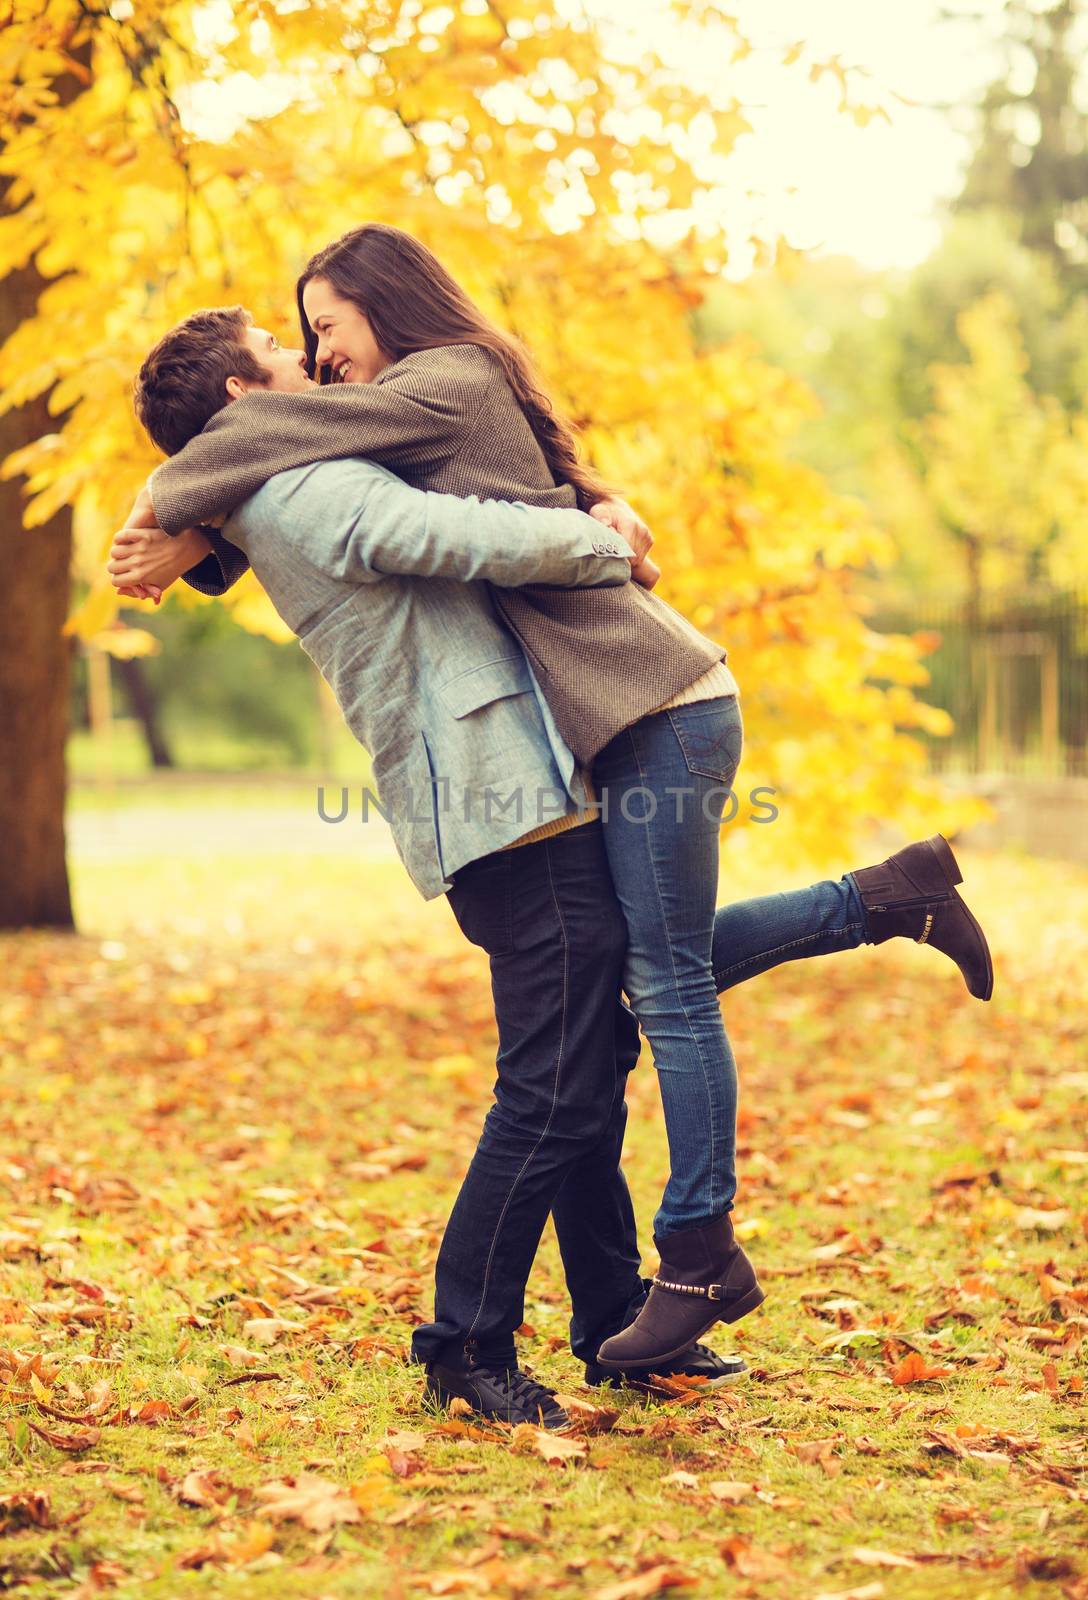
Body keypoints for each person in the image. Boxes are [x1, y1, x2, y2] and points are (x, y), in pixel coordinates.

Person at [112, 291, 993, 1402]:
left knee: (602, 1038)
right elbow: (447, 532)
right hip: (502, 807)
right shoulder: (301, 484)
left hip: (510, 797)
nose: (308, 357)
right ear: (243, 398)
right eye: (281, 349)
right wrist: (599, 537)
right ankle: (464, 1346)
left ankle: (617, 1312)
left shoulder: (268, 483)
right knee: (554, 1087)